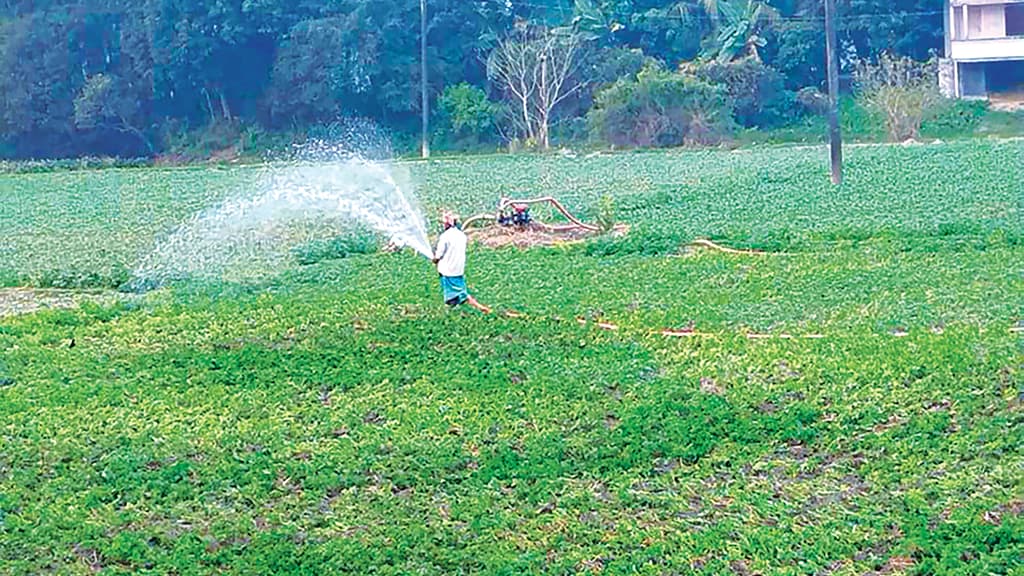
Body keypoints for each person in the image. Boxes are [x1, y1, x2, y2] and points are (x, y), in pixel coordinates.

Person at [432, 211, 491, 313]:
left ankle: (481, 308)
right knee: (454, 294)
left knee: (460, 293)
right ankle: (454, 311)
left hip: (447, 270)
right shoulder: (461, 235)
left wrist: (435, 259)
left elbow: (439, 254)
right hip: (458, 269)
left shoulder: (445, 236)